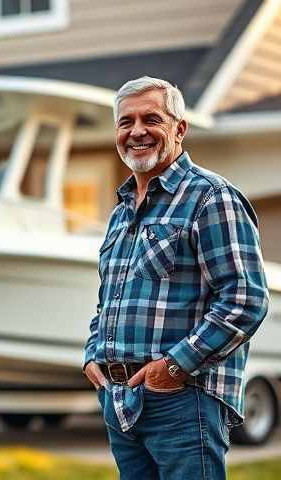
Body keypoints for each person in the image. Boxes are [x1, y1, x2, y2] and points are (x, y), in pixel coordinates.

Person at [82, 76, 269, 480]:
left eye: (151, 118)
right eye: (125, 122)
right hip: (120, 401)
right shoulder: (122, 210)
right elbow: (109, 299)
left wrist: (172, 369)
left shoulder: (210, 197)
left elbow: (245, 299)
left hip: (184, 401)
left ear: (179, 129)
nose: (136, 131)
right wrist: (93, 355)